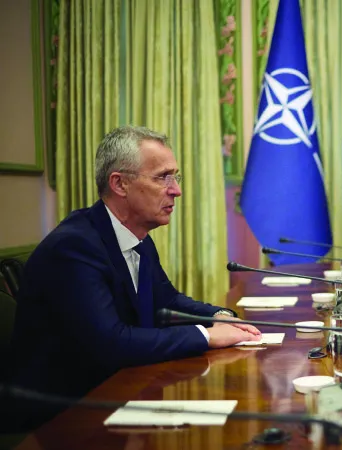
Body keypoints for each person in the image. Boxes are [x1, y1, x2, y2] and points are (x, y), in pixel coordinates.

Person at [5, 126, 261, 431]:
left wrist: (219, 316)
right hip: (63, 418)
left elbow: (167, 301)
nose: (176, 190)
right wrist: (207, 335)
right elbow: (111, 343)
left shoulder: (138, 237)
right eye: (162, 177)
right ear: (120, 184)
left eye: (175, 177)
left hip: (119, 392)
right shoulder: (74, 247)